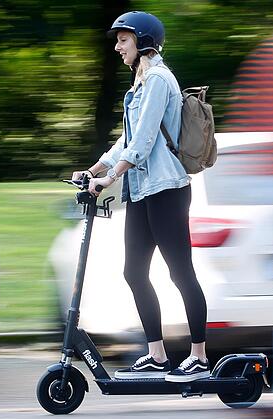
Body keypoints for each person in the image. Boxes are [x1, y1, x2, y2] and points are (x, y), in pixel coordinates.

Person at [71, 11, 209, 383]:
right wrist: (96, 168)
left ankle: (199, 356)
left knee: (180, 273)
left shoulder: (159, 79)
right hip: (143, 191)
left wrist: (112, 178)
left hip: (167, 189)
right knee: (134, 272)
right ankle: (157, 354)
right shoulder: (141, 82)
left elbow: (145, 140)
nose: (117, 47)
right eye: (117, 41)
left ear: (143, 41)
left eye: (123, 40)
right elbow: (127, 139)